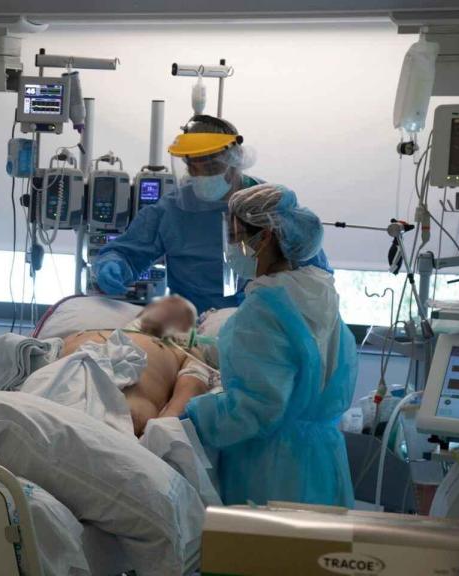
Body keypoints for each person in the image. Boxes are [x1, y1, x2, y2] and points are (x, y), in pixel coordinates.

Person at [184, 183, 357, 507]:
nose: (230, 247)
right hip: (323, 463)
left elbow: (254, 410)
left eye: (234, 236)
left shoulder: (263, 309)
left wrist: (191, 415)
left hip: (273, 474)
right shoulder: (318, 294)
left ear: (263, 238)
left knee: (271, 543)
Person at [91, 115, 331, 312]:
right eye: (193, 168)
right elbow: (128, 251)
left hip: (260, 322)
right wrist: (114, 265)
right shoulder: (172, 210)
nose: (202, 176)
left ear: (235, 161)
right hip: (192, 325)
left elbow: (315, 274)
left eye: (212, 167)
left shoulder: (270, 205)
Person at [61, 295, 217, 436]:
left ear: (188, 331)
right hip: (56, 400)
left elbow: (191, 389)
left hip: (114, 423)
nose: (170, 307)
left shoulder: (185, 350)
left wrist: (163, 430)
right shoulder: (84, 333)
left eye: (180, 312)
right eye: (164, 304)